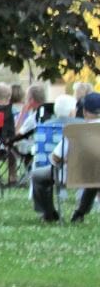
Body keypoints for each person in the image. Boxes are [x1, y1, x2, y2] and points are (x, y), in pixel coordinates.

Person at [32, 91, 100, 224]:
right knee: (94, 177)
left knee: (37, 176)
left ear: (85, 111)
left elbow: (56, 158)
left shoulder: (77, 131)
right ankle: (80, 213)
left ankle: (49, 214)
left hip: (72, 175)